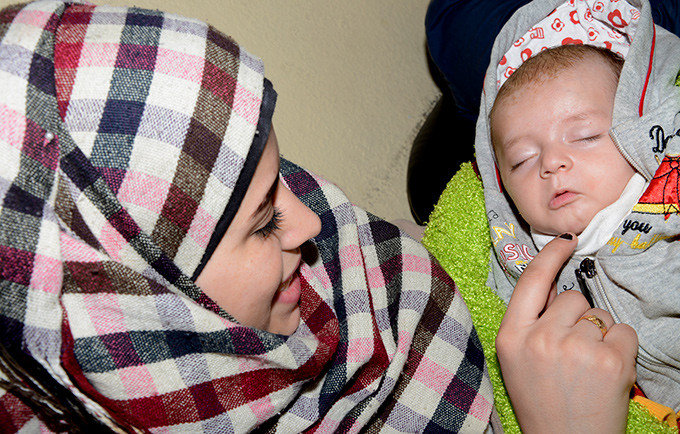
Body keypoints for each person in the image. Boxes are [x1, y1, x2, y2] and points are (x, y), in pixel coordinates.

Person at [0, 0, 639, 432]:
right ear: (144, 308)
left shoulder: (335, 256)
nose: (311, 223)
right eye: (261, 222)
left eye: (283, 174)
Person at [474, 0, 680, 416]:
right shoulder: (519, 271)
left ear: (638, 129)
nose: (551, 163)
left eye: (585, 136)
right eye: (522, 160)